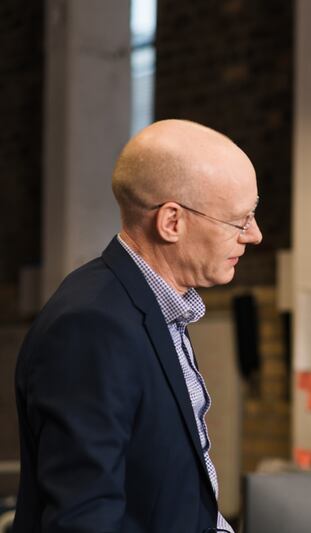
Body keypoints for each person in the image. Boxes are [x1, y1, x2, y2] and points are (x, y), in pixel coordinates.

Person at [14, 119, 262, 532]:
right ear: (172, 222)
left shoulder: (155, 308)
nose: (254, 235)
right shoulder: (92, 325)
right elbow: (84, 518)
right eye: (240, 220)